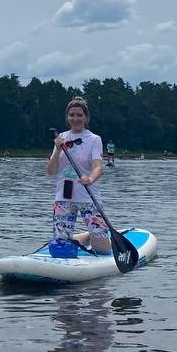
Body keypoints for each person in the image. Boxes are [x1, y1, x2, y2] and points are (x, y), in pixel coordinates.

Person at [47, 96, 110, 254]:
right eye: (72, 115)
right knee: (61, 248)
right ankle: (77, 237)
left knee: (102, 250)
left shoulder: (94, 139)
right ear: (67, 117)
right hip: (63, 197)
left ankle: (90, 235)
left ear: (86, 118)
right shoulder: (60, 139)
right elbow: (51, 171)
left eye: (79, 115)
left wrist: (90, 178)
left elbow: (98, 167)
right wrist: (58, 150)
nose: (75, 119)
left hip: (87, 196)